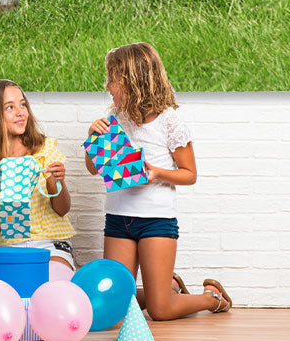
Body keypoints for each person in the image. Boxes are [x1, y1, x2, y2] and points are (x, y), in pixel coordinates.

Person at [86, 42, 232, 320]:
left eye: (112, 79)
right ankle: (169, 288)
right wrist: (93, 136)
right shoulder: (115, 118)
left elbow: (189, 174)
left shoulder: (169, 122)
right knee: (115, 303)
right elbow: (94, 169)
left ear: (132, 82)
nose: (107, 85)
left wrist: (156, 172)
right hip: (118, 219)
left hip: (156, 221)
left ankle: (212, 299)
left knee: (159, 310)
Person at [0, 79, 75, 270]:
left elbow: (62, 209)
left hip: (50, 244)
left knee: (53, 281)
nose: (20, 112)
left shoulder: (44, 149)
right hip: (8, 246)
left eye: (22, 104)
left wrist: (58, 181)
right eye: (10, 107)